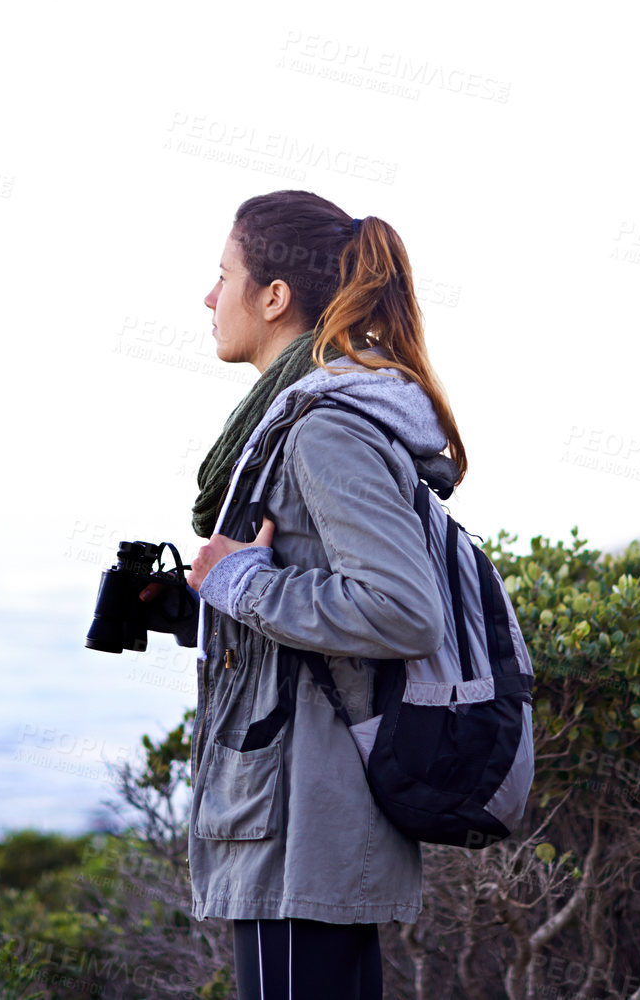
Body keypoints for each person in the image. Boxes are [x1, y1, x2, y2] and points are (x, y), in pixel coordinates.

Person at [180, 190, 468, 1000]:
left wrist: (242, 583)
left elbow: (402, 609)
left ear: (273, 297)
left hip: (300, 820)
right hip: (299, 811)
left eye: (224, 274)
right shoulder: (308, 418)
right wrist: (213, 595)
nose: (209, 297)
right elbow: (312, 588)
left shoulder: (323, 427)